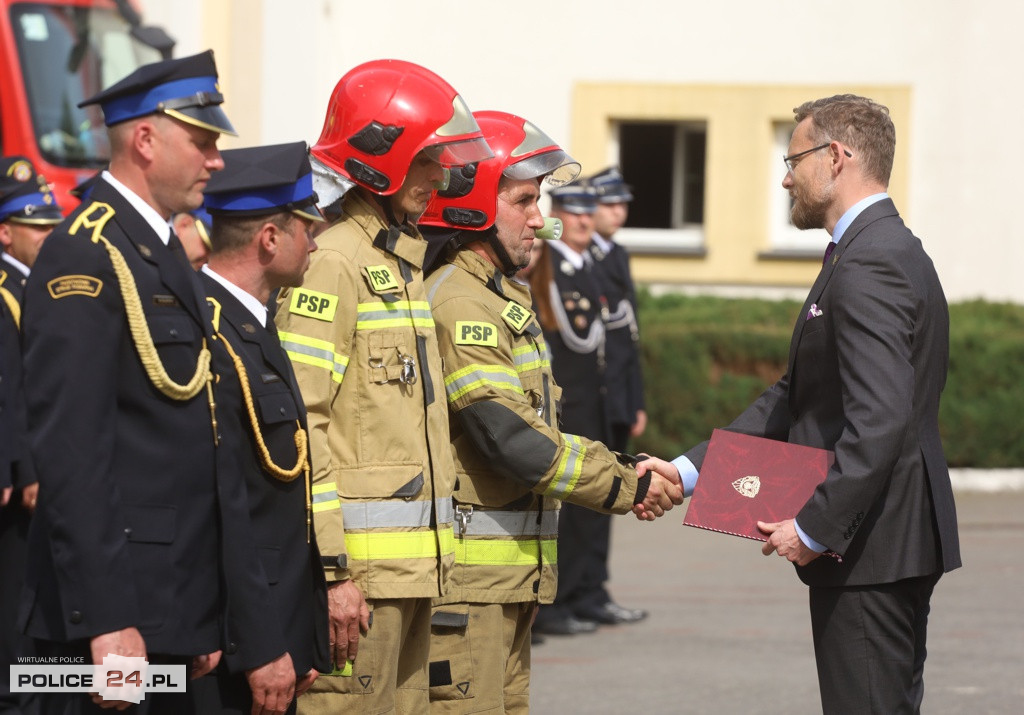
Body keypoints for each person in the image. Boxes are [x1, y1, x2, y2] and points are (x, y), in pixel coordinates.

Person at [640, 94, 961, 714]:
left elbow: (880, 419)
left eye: (793, 159)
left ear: (836, 157)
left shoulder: (871, 261)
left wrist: (814, 526)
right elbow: (796, 394)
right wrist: (687, 473)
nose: (786, 176)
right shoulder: (868, 249)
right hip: (879, 543)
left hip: (873, 548)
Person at [417, 110, 681, 712]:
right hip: (467, 594)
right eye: (524, 200)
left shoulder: (495, 294)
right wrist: (627, 481)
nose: (542, 218)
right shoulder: (460, 300)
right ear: (475, 202)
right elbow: (511, 439)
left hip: (502, 586)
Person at [18, 50, 241, 712]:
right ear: (146, 139)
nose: (217, 160)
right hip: (110, 624)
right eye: (202, 141)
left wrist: (202, 607)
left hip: (168, 604)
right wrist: (107, 619)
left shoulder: (159, 248)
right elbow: (72, 450)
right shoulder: (85, 250)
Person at [274, 59, 493, 715]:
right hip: (360, 585)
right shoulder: (334, 260)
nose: (442, 177)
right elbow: (300, 424)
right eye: (428, 161)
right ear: (383, 158)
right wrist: (334, 572)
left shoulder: (396, 262)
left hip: (411, 578)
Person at [192, 141, 332, 714]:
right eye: (307, 227)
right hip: (239, 640)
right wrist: (261, 645)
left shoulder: (253, 326)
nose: (316, 241)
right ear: (270, 239)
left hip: (277, 625)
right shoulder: (211, 336)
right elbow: (226, 510)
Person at [532, 182, 633, 635]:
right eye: (572, 213)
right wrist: (548, 222)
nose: (583, 221)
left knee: (593, 505)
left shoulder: (589, 263)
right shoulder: (546, 260)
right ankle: (554, 603)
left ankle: (582, 592)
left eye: (588, 213)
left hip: (595, 400)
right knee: (565, 510)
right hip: (567, 401)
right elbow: (539, 227)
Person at [0, 155, 63, 712]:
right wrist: (22, 467)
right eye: (36, 227)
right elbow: (9, 383)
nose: (48, 236)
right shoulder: (7, 289)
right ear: (5, 232)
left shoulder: (34, 284)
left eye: (52, 225)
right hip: (28, 476)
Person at [578, 166, 650, 626]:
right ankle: (579, 592)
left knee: (606, 503)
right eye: (610, 204)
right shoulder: (580, 258)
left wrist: (635, 400)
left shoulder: (615, 254)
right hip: (592, 395)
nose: (617, 213)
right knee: (589, 503)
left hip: (616, 395)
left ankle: (593, 588)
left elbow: (630, 338)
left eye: (623, 204)